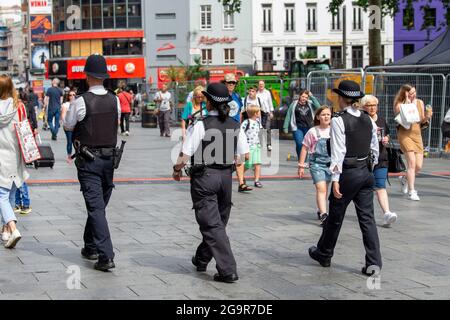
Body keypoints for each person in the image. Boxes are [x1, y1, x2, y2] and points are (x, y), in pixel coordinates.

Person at [172, 83, 249, 283]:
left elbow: (185, 153)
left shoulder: (201, 124)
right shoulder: (235, 124)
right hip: (225, 178)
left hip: (205, 177)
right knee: (218, 223)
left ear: (208, 101)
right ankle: (202, 258)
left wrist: (176, 170)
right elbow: (245, 156)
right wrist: (230, 165)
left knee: (213, 225)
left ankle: (227, 269)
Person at [308, 80, 382, 276]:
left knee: (335, 216)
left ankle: (324, 253)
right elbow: (374, 147)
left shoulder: (338, 120)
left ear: (342, 98)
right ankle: (374, 263)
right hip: (366, 171)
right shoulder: (368, 119)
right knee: (367, 219)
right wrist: (369, 168)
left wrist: (336, 178)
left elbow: (338, 152)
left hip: (348, 172)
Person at [63, 54, 121, 272]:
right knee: (99, 204)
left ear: (87, 76)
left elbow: (69, 126)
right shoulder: (114, 99)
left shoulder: (81, 101)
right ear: (104, 76)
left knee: (96, 207)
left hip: (89, 160)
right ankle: (90, 246)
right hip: (110, 161)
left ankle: (106, 255)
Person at [360, 95, 398, 227]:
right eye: (369, 105)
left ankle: (387, 213)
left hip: (381, 158)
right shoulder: (361, 120)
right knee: (364, 189)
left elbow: (386, 133)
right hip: (365, 160)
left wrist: (386, 139)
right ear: (363, 107)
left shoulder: (381, 120)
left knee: (381, 186)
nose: (372, 108)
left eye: (374, 105)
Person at [0, 74, 27, 248]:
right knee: (9, 193)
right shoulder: (19, 106)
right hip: (15, 155)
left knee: (1, 196)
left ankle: (12, 227)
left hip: (1, 156)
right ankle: (5, 232)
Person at [394, 85, 432, 201]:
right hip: (405, 134)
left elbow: (420, 120)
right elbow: (403, 115)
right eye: (410, 93)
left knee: (418, 166)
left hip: (417, 134)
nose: (413, 95)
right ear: (405, 93)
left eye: (414, 92)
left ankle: (405, 178)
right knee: (411, 162)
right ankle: (412, 191)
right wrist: (407, 100)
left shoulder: (419, 102)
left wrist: (427, 116)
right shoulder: (399, 103)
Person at [298, 106, 332, 226]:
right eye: (323, 114)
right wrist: (301, 165)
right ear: (318, 117)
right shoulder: (312, 131)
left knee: (325, 189)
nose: (326, 116)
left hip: (330, 164)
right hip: (316, 163)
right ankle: (324, 215)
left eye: (328, 114)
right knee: (321, 188)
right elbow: (304, 148)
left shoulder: (334, 130)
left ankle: (320, 209)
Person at [283, 89, 321, 158]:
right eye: (303, 96)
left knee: (308, 144)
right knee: (299, 143)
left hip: (309, 127)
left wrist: (312, 96)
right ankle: (301, 159)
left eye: (306, 97)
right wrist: (285, 126)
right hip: (298, 128)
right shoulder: (294, 104)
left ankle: (305, 158)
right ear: (300, 96)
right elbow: (289, 115)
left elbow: (319, 107)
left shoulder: (310, 103)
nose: (304, 98)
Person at [240, 105, 263, 188]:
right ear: (255, 113)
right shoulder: (246, 122)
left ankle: (257, 180)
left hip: (256, 146)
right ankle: (241, 174)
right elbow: (241, 133)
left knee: (257, 163)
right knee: (248, 164)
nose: (260, 113)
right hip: (248, 147)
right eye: (259, 112)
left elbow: (259, 133)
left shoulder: (258, 122)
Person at [257, 80, 275, 151]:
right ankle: (260, 144)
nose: (261, 86)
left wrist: (271, 112)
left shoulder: (267, 92)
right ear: (258, 85)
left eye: (262, 84)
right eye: (260, 84)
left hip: (267, 113)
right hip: (259, 114)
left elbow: (270, 102)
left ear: (264, 85)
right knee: (260, 129)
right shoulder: (257, 94)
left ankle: (269, 144)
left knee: (267, 128)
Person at [61, 90, 77, 164]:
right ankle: (69, 156)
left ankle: (77, 155)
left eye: (74, 95)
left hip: (77, 126)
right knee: (70, 141)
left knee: (77, 142)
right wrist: (66, 123)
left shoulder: (78, 104)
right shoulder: (66, 105)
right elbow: (63, 115)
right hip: (68, 127)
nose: (72, 96)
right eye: (70, 95)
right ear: (68, 97)